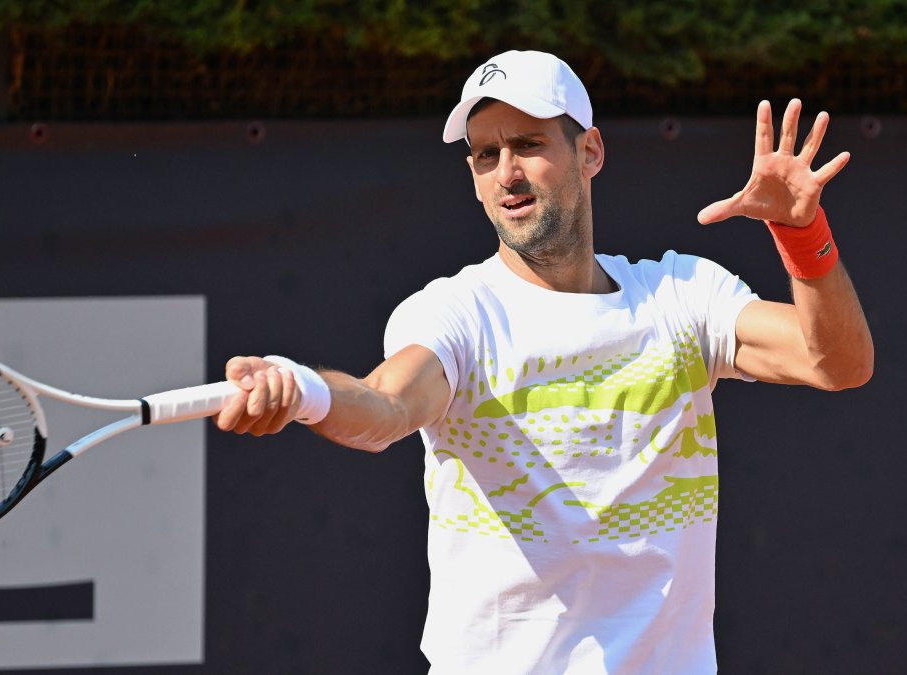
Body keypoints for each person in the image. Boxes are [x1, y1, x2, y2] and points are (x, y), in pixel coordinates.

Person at [215, 50, 873, 674]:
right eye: (484, 154)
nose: (506, 173)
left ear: (589, 151)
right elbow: (386, 406)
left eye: (528, 145)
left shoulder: (682, 297)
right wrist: (302, 389)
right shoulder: (455, 314)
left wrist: (801, 233)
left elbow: (837, 362)